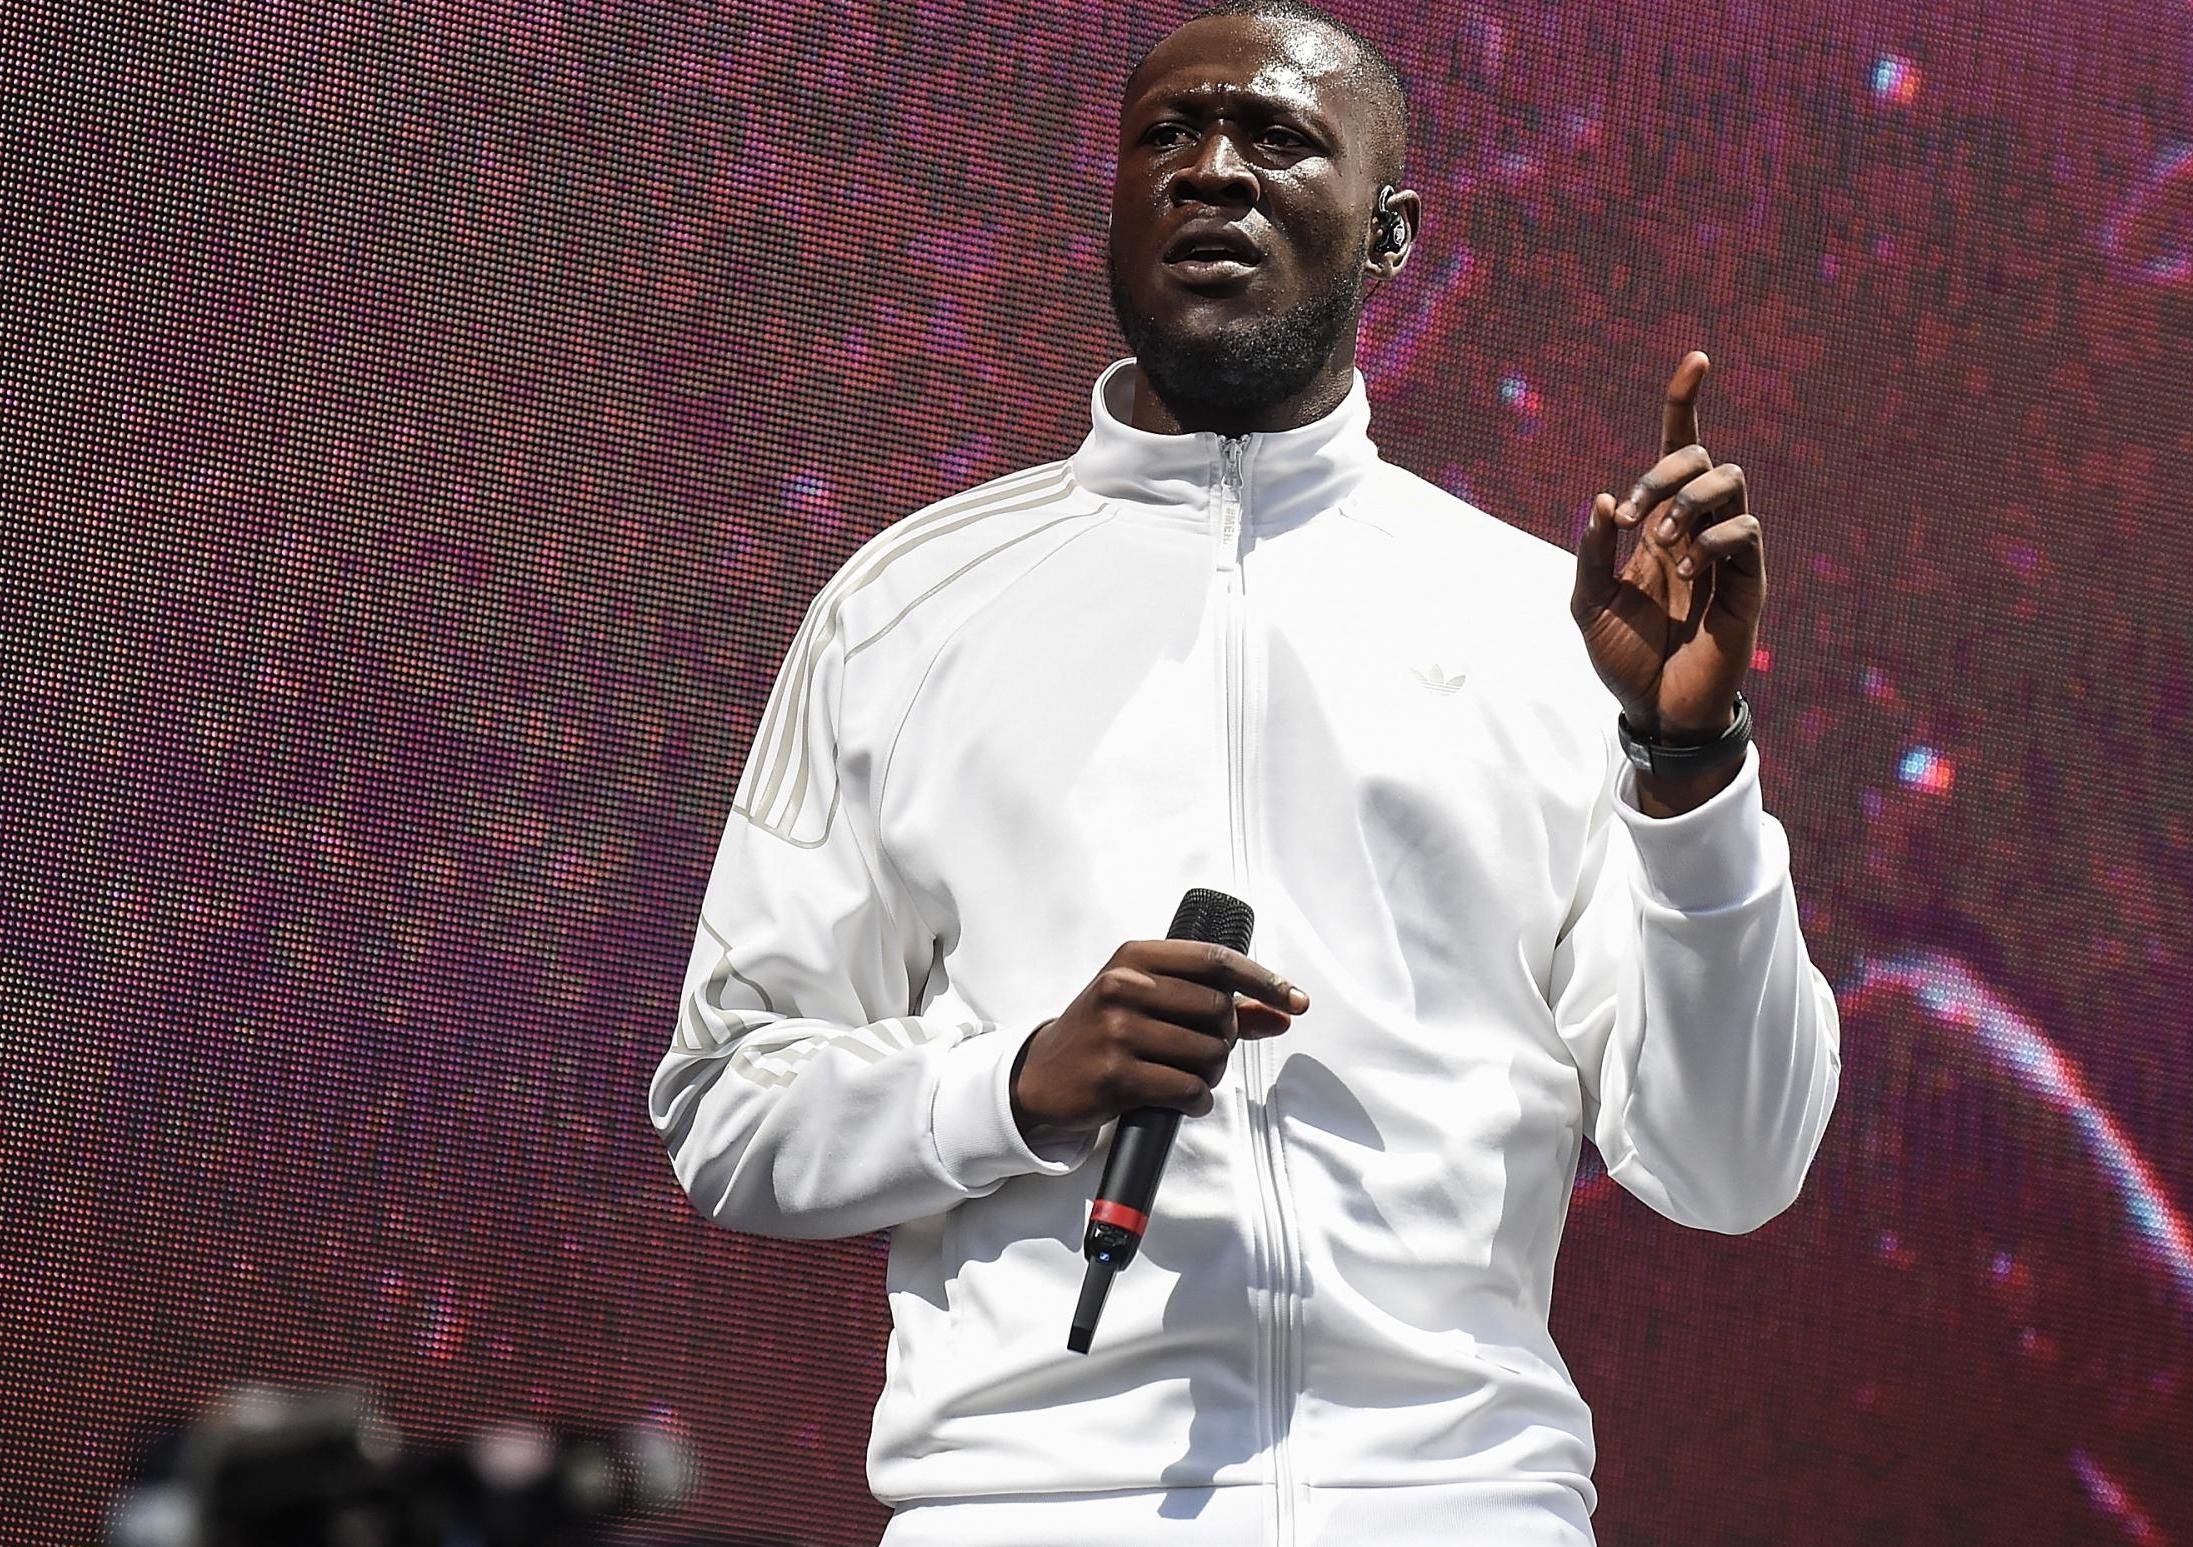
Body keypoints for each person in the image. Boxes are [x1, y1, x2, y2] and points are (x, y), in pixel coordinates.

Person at [648, 1, 1842, 1541]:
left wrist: (1686, 763)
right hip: (1028, 1506)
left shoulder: (1534, 624)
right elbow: (729, 1103)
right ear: (1116, 206)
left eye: (1276, 137)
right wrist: (1011, 1084)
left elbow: (1729, 1163)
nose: (1214, 171)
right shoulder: (907, 607)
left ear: (1388, 232)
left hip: (1454, 1505)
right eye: (1169, 137)